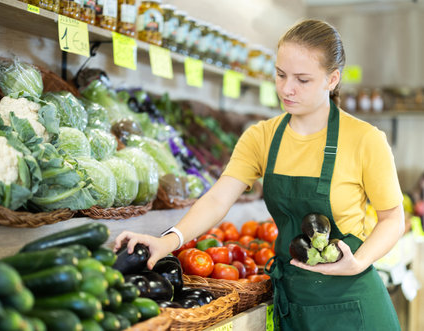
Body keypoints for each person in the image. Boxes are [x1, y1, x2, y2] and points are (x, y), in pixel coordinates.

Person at [114, 19, 405, 330]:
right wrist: (167, 241)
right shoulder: (262, 137)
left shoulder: (364, 139)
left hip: (354, 304)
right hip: (293, 302)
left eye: (302, 80)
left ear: (332, 79)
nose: (286, 88)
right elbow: (217, 199)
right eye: (280, 75)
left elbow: (393, 218)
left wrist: (357, 263)